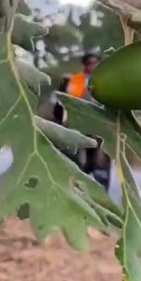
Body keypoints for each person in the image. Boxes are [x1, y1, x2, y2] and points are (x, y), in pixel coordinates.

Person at [51, 52, 111, 190]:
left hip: (98, 124)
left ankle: (95, 179)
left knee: (97, 155)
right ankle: (75, 179)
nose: (93, 66)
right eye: (90, 63)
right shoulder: (76, 80)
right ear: (85, 65)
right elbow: (65, 101)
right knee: (75, 152)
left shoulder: (105, 81)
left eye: (96, 63)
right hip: (77, 122)